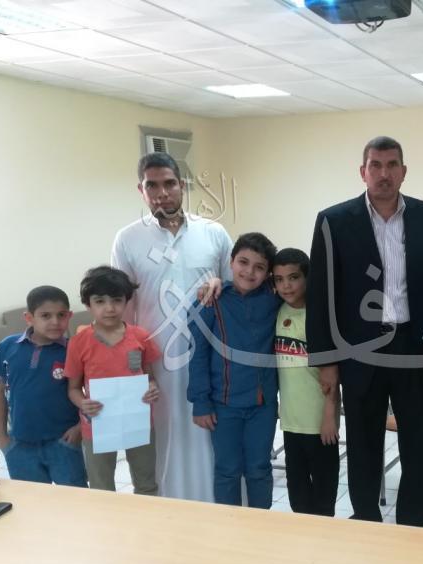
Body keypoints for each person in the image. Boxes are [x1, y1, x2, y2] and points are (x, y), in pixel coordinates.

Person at [307, 136, 423, 526]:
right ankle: (366, 519)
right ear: (363, 172)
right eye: (376, 165)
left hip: (412, 345)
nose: (384, 173)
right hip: (359, 350)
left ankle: (415, 524)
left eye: (392, 165)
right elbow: (321, 294)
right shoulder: (334, 220)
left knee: (417, 441)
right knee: (363, 443)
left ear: (403, 172)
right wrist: (326, 360)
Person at [112, 152, 233, 502]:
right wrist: (135, 367)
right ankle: (170, 509)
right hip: (157, 361)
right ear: (141, 190)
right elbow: (120, 310)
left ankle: (222, 506)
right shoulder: (128, 239)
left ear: (182, 185)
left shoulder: (213, 233)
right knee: (165, 436)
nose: (162, 193)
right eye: (152, 186)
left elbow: (236, 289)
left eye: (169, 183)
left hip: (210, 357)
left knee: (213, 433)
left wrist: (220, 285)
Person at [187, 233, 280, 509]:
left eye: (259, 267)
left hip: (262, 405)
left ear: (268, 273)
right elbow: (198, 354)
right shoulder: (211, 300)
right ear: (231, 262)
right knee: (227, 470)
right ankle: (228, 527)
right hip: (223, 406)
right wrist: (200, 402)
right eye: (243, 262)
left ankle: (260, 525)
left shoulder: (275, 298)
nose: (249, 272)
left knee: (259, 468)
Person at [64, 267, 161, 494]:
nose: (109, 308)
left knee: (146, 483)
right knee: (101, 487)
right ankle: (107, 519)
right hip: (97, 423)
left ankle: (145, 517)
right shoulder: (79, 342)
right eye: (100, 301)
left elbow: (150, 378)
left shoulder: (140, 337)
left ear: (127, 301)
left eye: (117, 300)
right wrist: (82, 403)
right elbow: (73, 389)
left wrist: (152, 388)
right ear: (88, 304)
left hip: (138, 421)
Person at [0, 286, 86, 487]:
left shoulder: (73, 350)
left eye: (61, 315)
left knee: (74, 499)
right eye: (45, 315)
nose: (55, 322)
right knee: (32, 500)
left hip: (64, 442)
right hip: (20, 444)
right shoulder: (8, 346)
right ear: (29, 318)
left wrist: (80, 428)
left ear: (69, 316)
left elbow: (88, 392)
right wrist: (2, 437)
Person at [273, 248, 341, 517]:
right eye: (279, 279)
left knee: (324, 500)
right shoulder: (278, 311)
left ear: (307, 277)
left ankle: (323, 541)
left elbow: (332, 373)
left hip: (320, 424)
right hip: (290, 424)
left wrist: (330, 416)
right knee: (298, 499)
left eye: (293, 277)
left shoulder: (320, 317)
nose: (286, 286)